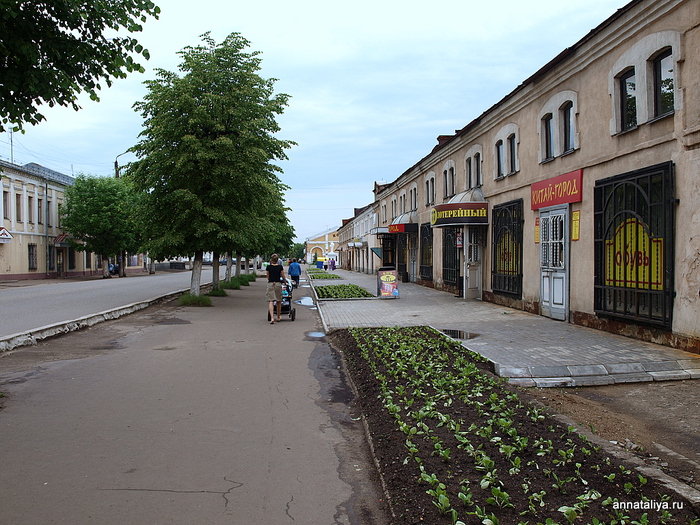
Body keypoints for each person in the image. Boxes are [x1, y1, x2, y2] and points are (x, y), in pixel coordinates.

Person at [266, 253, 285, 324]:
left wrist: (270, 280)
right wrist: (285, 281)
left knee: (271, 301)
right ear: (277, 260)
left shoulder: (268, 267)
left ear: (271, 260)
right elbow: (283, 276)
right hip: (278, 284)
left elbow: (267, 276)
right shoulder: (280, 267)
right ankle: (278, 317)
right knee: (278, 301)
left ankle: (272, 318)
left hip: (271, 284)